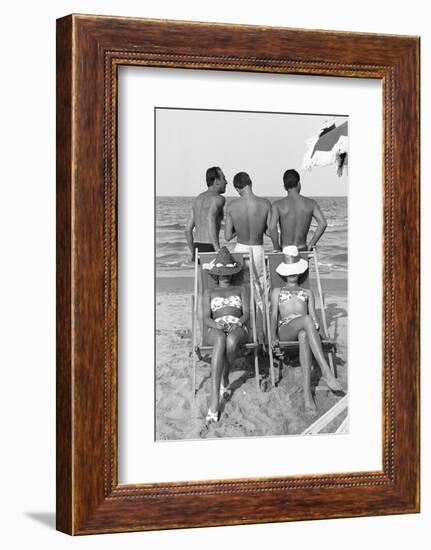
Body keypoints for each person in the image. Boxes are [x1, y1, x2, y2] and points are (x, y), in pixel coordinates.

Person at [270, 246, 342, 412]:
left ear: (300, 272)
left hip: (305, 327)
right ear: (283, 273)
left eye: (295, 270)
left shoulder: (308, 292)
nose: (292, 274)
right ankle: (326, 371)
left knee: (304, 335)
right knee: (306, 320)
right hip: (286, 330)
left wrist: (324, 337)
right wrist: (273, 335)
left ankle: (307, 396)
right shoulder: (277, 291)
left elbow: (315, 320)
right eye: (289, 271)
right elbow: (274, 316)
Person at [202, 247, 249, 423]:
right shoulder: (209, 292)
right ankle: (215, 399)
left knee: (231, 341)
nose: (225, 276)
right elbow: (205, 317)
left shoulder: (240, 289)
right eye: (221, 273)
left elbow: (246, 314)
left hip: (237, 326)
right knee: (221, 337)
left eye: (228, 272)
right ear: (216, 275)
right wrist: (217, 324)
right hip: (215, 327)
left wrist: (237, 322)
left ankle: (225, 376)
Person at [224, 172, 271, 340]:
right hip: (257, 249)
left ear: (237, 188)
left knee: (242, 292)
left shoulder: (232, 206)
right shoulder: (265, 204)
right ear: (251, 183)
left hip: (240, 250)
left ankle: (246, 334)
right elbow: (270, 231)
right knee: (260, 293)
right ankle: (261, 334)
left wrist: (240, 226)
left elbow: (227, 236)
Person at [269, 169, 327, 252]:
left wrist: (276, 248)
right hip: (302, 250)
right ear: (299, 184)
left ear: (284, 187)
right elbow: (323, 223)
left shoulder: (277, 205)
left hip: (285, 251)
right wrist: (311, 244)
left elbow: (272, 227)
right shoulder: (311, 203)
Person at [185, 166, 227, 260]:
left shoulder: (197, 199)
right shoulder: (219, 199)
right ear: (216, 181)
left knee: (202, 275)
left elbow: (188, 229)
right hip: (210, 247)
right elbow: (210, 218)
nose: (226, 182)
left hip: (197, 247)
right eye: (223, 178)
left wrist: (193, 253)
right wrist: (217, 249)